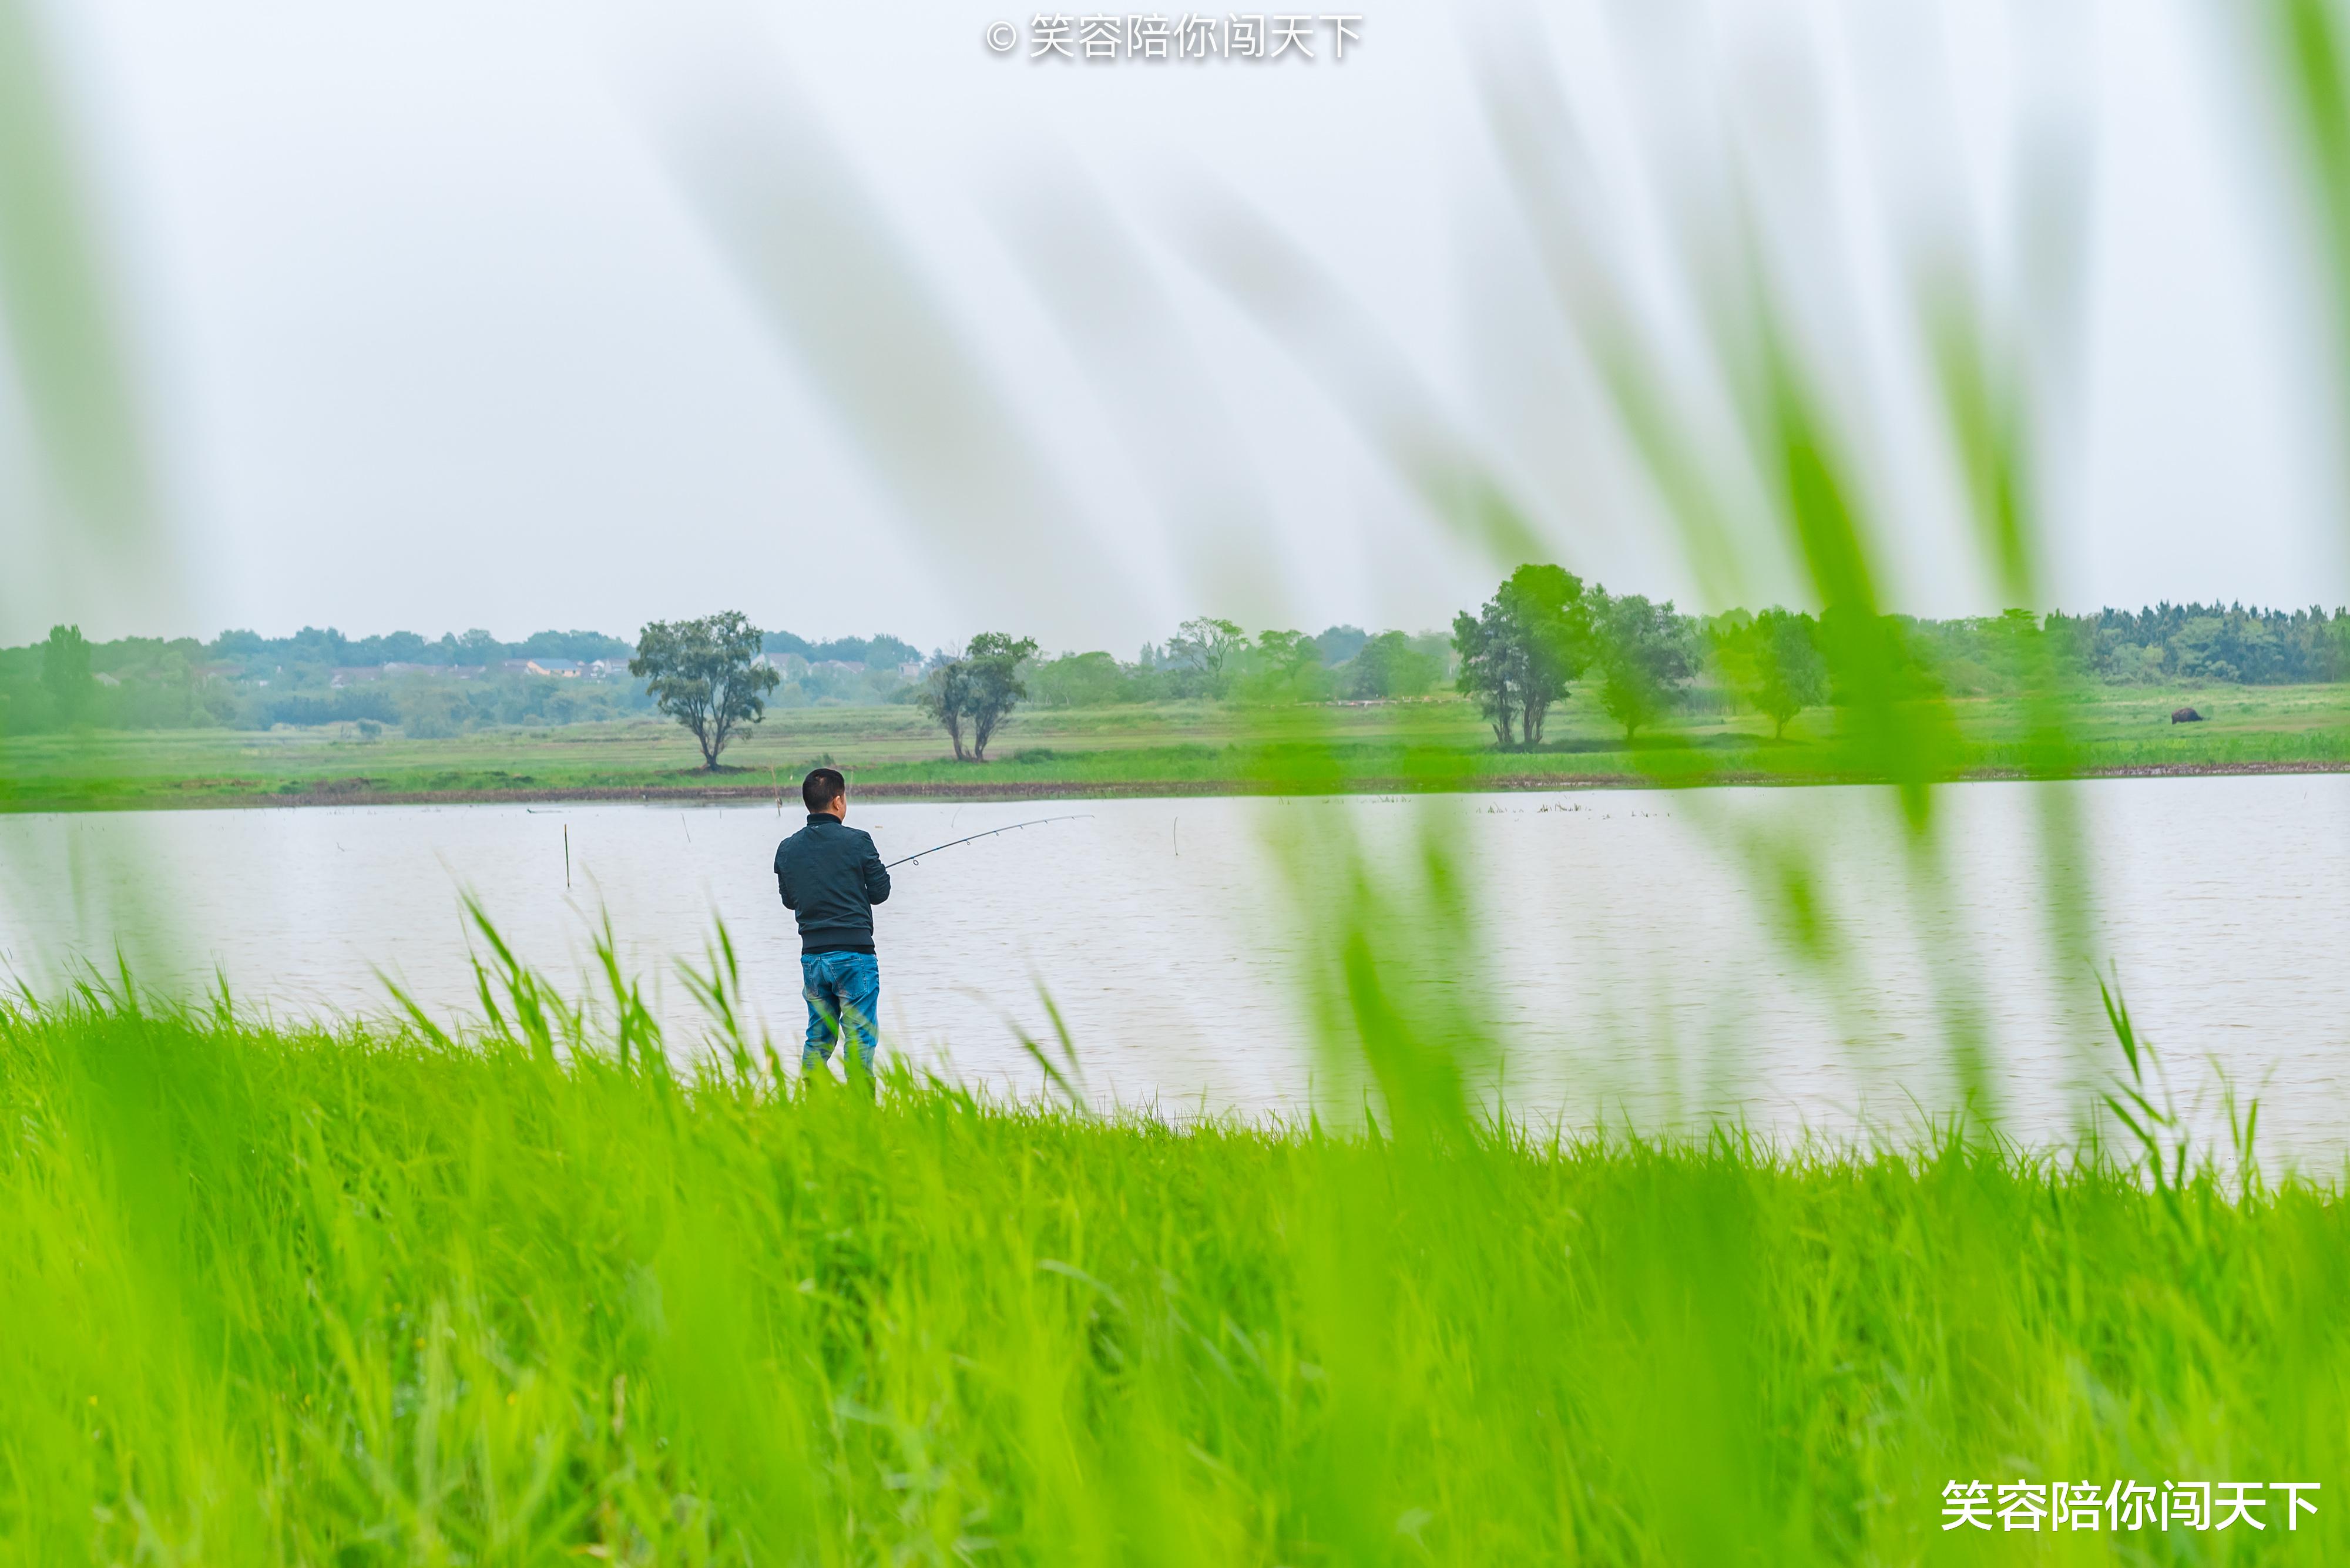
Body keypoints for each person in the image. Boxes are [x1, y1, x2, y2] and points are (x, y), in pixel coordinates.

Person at [773, 767, 891, 1079]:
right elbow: (880, 893)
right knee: (860, 1043)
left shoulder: (787, 848)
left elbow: (789, 900)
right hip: (855, 958)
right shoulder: (858, 841)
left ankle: (814, 1112)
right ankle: (861, 1119)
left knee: (819, 1040)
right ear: (838, 802)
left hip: (812, 959)